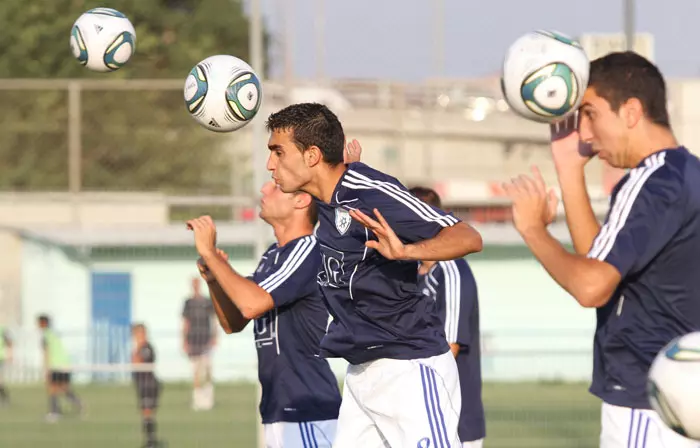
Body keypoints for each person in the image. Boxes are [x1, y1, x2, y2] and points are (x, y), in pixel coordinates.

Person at [502, 51, 700, 448]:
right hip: (675, 400)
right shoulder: (684, 173)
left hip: (647, 401)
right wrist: (570, 169)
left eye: (589, 113)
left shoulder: (651, 179)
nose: (585, 133)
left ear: (630, 111)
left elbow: (592, 285)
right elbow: (601, 260)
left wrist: (533, 230)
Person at [264, 103, 483, 447]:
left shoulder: (371, 192)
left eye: (278, 151)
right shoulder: (325, 195)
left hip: (409, 367)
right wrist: (351, 162)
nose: (270, 164)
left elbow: (468, 236)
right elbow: (339, 179)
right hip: (361, 374)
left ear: (312, 155)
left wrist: (407, 251)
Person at [187, 180, 342, 448]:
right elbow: (233, 321)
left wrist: (211, 254)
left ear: (302, 201)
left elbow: (251, 304)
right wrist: (214, 278)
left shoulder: (307, 249)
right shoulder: (273, 254)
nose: (263, 190)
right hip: (279, 408)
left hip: (305, 408)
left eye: (277, 187)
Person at [411, 186, 486, 448]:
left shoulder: (451, 270)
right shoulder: (416, 272)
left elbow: (449, 348)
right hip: (421, 413)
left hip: (454, 419)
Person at [37, 314, 83, 422]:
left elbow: (47, 352)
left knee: (52, 388)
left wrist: (46, 368)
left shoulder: (46, 336)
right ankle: (79, 404)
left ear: (43, 323)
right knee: (63, 388)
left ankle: (54, 412)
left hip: (56, 365)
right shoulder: (53, 334)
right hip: (65, 363)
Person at [181, 277, 217, 410]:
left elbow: (213, 319)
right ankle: (197, 400)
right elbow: (185, 322)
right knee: (196, 370)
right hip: (193, 340)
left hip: (205, 339)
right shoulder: (188, 303)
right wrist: (184, 340)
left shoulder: (207, 302)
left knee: (207, 369)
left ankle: (209, 399)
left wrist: (215, 336)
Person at [131, 323, 162, 448]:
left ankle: (151, 441)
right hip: (141, 385)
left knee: (148, 413)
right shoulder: (139, 348)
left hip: (149, 385)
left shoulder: (146, 348)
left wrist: (137, 350)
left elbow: (138, 362)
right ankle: (149, 440)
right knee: (145, 413)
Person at [0, 325, 12, 407]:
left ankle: (4, 398)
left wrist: (10, 354)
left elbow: (9, 342)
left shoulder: (2, 330)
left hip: (0, 358)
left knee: (0, 381)